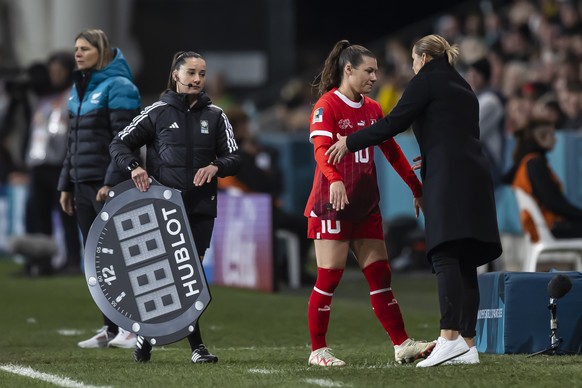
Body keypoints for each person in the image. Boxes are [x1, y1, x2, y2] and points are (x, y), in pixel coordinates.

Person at [326, 34, 502, 367]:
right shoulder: (464, 86)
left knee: (446, 253)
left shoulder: (427, 80)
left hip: (449, 179)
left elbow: (394, 122)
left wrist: (350, 142)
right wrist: (434, 156)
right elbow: (459, 134)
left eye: (412, 59)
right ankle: (468, 344)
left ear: (423, 57)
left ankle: (448, 337)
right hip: (474, 176)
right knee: (466, 260)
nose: (411, 65)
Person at [304, 40, 435, 367]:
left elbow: (391, 151)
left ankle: (402, 344)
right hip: (331, 205)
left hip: (365, 207)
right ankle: (318, 351)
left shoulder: (374, 109)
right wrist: (334, 179)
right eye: (369, 70)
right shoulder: (326, 106)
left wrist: (415, 187)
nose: (375, 77)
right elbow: (321, 150)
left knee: (380, 276)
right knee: (329, 277)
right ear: (348, 70)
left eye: (376, 70)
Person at [109, 50, 241, 364]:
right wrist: (134, 168)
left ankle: (161, 340)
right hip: (163, 209)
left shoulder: (217, 116)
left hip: (200, 208)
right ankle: (188, 345)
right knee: (169, 278)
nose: (197, 79)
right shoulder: (156, 112)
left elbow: (235, 158)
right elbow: (119, 143)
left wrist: (216, 167)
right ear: (176, 75)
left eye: (202, 74)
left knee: (188, 277)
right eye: (192, 73)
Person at [57, 29, 140, 349]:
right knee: (94, 260)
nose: (77, 54)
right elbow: (72, 143)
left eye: (85, 49)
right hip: (81, 183)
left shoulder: (119, 86)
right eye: (75, 48)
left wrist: (109, 181)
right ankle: (109, 328)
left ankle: (131, 328)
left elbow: (125, 142)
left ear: (101, 51)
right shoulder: (77, 92)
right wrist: (66, 183)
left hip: (107, 184)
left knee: (119, 258)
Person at [218, 105, 313, 285]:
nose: (247, 129)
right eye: (243, 125)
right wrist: (253, 158)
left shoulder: (255, 150)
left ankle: (290, 269)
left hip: (257, 207)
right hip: (248, 210)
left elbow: (276, 181)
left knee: (302, 223)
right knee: (293, 224)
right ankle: (278, 271)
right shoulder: (235, 153)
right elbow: (259, 183)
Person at [24, 51, 82, 274]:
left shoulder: (73, 96)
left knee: (67, 213)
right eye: (52, 71)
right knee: (37, 216)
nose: (54, 74)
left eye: (59, 70)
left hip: (61, 165)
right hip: (39, 164)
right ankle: (41, 262)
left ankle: (72, 261)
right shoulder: (44, 99)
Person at [504, 119, 582, 238]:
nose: (555, 140)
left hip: (543, 227)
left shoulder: (528, 162)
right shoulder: (535, 163)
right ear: (540, 137)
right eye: (552, 135)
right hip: (548, 228)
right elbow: (553, 203)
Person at [464, 57, 506, 187]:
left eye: (475, 75)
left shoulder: (490, 100)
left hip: (488, 163)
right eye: (469, 75)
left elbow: (471, 132)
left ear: (484, 76)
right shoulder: (476, 98)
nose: (471, 79)